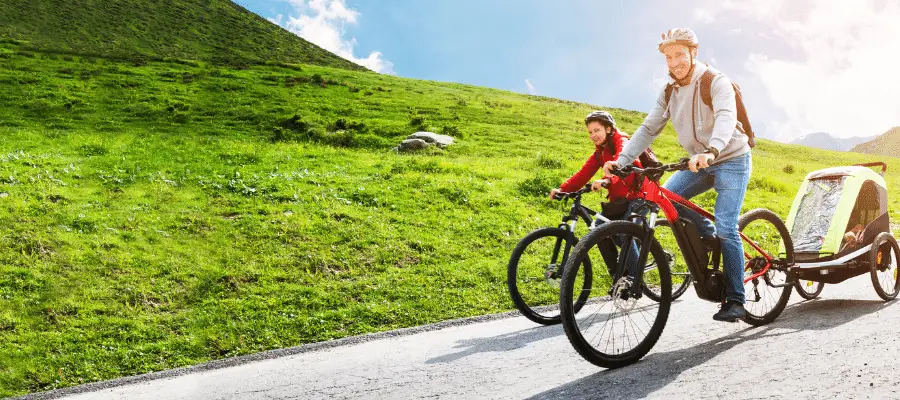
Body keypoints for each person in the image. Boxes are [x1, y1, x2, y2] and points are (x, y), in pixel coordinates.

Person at [603, 28, 753, 322]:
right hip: (698, 161)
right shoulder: (669, 90)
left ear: (693, 53)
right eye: (669, 57)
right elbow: (649, 128)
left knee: (726, 225)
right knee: (671, 198)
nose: (674, 63)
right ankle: (707, 236)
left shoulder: (715, 81)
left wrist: (712, 150)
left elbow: (726, 116)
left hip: (731, 158)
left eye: (680, 55)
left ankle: (736, 299)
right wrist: (621, 161)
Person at [550, 110, 652, 278]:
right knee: (598, 229)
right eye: (590, 132)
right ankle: (619, 274)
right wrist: (563, 190)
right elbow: (583, 174)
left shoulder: (624, 142)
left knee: (623, 231)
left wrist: (607, 181)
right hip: (619, 200)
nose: (593, 135)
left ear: (609, 129)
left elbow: (626, 165)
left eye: (597, 130)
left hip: (640, 196)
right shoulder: (600, 152)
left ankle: (635, 278)